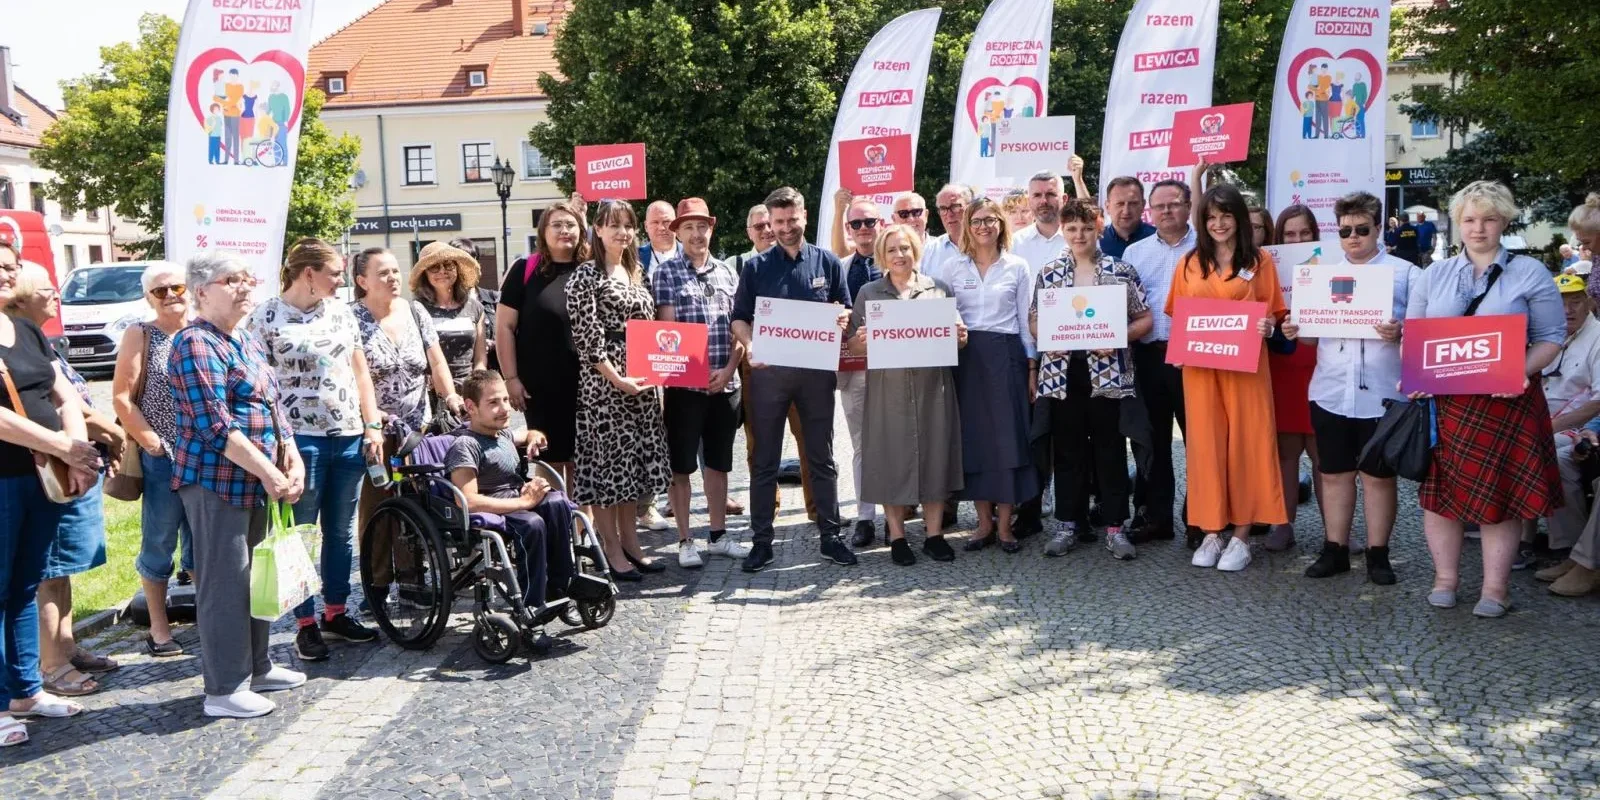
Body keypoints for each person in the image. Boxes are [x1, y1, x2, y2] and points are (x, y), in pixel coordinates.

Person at [1404, 181, 1564, 618]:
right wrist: (1414, 374)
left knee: (1502, 496)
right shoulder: (1433, 274)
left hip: (1506, 400)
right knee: (1442, 498)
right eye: (1470, 219)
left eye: (1489, 219)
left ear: (1504, 222)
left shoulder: (1529, 272)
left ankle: (1495, 589)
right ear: (1458, 223)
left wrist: (1520, 371)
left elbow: (1552, 337)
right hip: (1448, 405)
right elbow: (1414, 336)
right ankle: (1445, 580)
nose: (1479, 228)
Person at [169, 250, 307, 718]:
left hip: (257, 482)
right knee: (225, 584)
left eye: (248, 278)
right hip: (216, 482)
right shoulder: (194, 343)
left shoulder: (243, 338)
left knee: (258, 578)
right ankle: (224, 689)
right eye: (233, 280)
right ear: (202, 291)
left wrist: (291, 453)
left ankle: (258, 667)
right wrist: (269, 472)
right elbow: (215, 425)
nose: (245, 286)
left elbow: (273, 404)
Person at [249, 238, 385, 662]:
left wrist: (372, 423)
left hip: (346, 433)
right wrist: (275, 440)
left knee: (341, 531)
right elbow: (258, 384)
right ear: (308, 273)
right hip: (299, 438)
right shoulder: (266, 316)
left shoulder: (342, 312)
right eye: (334, 272)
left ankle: (336, 611)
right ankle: (305, 622)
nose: (341, 279)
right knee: (300, 532)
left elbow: (360, 372)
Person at [1285, 192, 1420, 585]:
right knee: (1333, 474)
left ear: (1379, 228)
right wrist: (1298, 330)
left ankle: (1379, 554)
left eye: (1362, 229)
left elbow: (1425, 333)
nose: (1354, 237)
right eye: (1345, 230)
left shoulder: (1406, 273)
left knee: (1378, 477)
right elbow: (1310, 340)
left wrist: (1401, 332)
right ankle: (1335, 550)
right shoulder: (1321, 274)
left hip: (1383, 392)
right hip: (1330, 390)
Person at [7, 264, 123, 698]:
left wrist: (81, 452)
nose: (57, 296)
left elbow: (71, 398)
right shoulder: (17, 340)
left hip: (66, 466)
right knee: (45, 573)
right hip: (36, 470)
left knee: (61, 568)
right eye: (47, 290)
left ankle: (64, 648)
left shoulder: (36, 338)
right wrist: (95, 437)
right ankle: (48, 664)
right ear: (21, 297)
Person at [0, 243, 100, 743]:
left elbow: (63, 393)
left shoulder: (25, 330)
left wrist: (74, 451)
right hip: (3, 479)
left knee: (22, 586)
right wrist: (60, 444)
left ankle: (25, 689)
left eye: (11, 266)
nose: (7, 273)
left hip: (39, 477)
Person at [731, 186, 855, 572]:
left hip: (816, 376)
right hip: (768, 377)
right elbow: (738, 318)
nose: (785, 227)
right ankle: (761, 541)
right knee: (764, 460)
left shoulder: (827, 262)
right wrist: (749, 345)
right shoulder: (755, 267)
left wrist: (842, 318)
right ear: (770, 222)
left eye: (792, 220)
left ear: (804, 217)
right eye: (778, 221)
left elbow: (845, 309)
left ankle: (830, 536)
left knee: (822, 457)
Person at [1169, 178, 1289, 572]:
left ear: (1239, 218)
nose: (1219, 224)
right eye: (1211, 217)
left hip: (1247, 369)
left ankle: (1241, 534)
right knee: (1205, 447)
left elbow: (1273, 315)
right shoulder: (1188, 263)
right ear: (1202, 222)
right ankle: (1211, 530)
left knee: (1248, 444)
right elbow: (1179, 316)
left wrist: (1268, 330)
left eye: (1226, 216)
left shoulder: (1260, 262)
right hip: (1202, 370)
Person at [1031, 199, 1153, 560]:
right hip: (1063, 375)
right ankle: (1068, 523)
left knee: (1109, 450)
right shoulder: (1050, 272)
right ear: (1064, 232)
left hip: (1108, 374)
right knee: (1067, 451)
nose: (1079, 235)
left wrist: (1115, 335)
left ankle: (1115, 527)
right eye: (1072, 229)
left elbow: (1145, 319)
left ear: (1098, 227)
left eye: (1086, 228)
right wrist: (1052, 334)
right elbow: (1034, 321)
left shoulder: (1120, 270)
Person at [846, 225, 965, 566]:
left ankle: (934, 534)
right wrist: (861, 341)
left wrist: (960, 335)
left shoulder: (937, 289)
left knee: (934, 455)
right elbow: (853, 344)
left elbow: (958, 338)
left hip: (932, 387)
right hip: (888, 388)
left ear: (916, 250)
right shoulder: (869, 293)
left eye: (905, 248)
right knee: (890, 457)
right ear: (882, 255)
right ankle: (897, 537)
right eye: (893, 249)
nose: (900, 255)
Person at [567, 200, 673, 581]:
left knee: (632, 468)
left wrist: (657, 371)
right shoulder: (585, 277)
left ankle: (632, 542)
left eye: (627, 226)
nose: (622, 233)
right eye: (613, 225)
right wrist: (618, 380)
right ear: (596, 229)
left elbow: (649, 330)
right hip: (604, 386)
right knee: (609, 470)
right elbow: (588, 341)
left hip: (641, 383)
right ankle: (611, 547)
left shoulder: (635, 270)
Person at [446, 370, 575, 651]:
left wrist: (534, 437)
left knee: (557, 502)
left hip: (516, 496)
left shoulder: (501, 432)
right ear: (470, 407)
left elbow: (527, 432)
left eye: (505, 399)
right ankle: (531, 607)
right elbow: (467, 500)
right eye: (494, 402)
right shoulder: (465, 446)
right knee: (532, 524)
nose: (505, 408)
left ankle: (563, 584)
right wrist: (522, 503)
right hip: (494, 506)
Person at [652, 198, 750, 567]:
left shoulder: (728, 272)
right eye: (688, 227)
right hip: (684, 388)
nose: (696, 233)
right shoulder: (666, 274)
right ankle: (684, 539)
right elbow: (666, 334)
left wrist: (726, 371)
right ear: (678, 232)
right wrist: (691, 374)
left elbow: (740, 330)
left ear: (711, 229)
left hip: (725, 384)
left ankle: (719, 535)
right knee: (681, 467)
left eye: (702, 226)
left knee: (719, 464)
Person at [350, 246, 464, 554]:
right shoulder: (351, 318)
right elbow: (355, 377)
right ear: (363, 281)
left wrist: (451, 396)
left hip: (419, 429)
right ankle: (378, 580)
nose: (392, 278)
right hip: (378, 429)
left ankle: (415, 577)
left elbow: (437, 362)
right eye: (383, 273)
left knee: (422, 502)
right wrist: (373, 421)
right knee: (380, 504)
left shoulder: (415, 311)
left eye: (395, 271)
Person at [112, 261, 196, 657]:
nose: (170, 297)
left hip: (208, 457)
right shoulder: (141, 334)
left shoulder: (203, 330)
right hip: (163, 457)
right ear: (149, 298)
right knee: (160, 541)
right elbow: (122, 397)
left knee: (203, 543)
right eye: (160, 291)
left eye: (175, 288)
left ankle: (213, 622)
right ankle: (159, 630)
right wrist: (152, 444)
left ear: (189, 289)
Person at [945, 197, 1037, 553]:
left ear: (1002, 224)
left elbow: (1025, 321)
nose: (983, 226)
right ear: (968, 226)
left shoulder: (1017, 266)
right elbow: (945, 315)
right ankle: (982, 523)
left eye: (990, 219)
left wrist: (1031, 367)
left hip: (1007, 357)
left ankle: (1005, 525)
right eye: (976, 220)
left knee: (1008, 439)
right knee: (976, 441)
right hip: (967, 360)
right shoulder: (954, 268)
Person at [1122, 178, 1196, 544]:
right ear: (1150, 210)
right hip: (1149, 356)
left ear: (1188, 206)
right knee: (1151, 443)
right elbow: (1126, 308)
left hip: (1196, 359)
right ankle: (1155, 519)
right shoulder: (1135, 253)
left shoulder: (1207, 245)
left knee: (1200, 442)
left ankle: (1200, 519)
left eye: (1175, 204)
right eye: (1160, 206)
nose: (1167, 211)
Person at [498, 201, 587, 488]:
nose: (565, 230)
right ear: (543, 232)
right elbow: (505, 327)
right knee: (549, 459)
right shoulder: (525, 270)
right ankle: (557, 525)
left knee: (582, 461)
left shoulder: (591, 269)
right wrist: (511, 379)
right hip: (540, 386)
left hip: (587, 384)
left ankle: (582, 530)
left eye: (571, 225)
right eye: (557, 225)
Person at [730, 204, 805, 521]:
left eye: (769, 225)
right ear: (749, 231)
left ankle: (817, 510)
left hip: (799, 360)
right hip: (757, 365)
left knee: (810, 439)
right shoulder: (735, 265)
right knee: (759, 443)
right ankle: (766, 511)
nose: (765, 230)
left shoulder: (800, 259)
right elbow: (735, 318)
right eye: (758, 226)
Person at [1010, 170, 1071, 539]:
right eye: (1038, 195)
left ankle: (1072, 511)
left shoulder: (1079, 237)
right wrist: (1032, 361)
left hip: (1078, 350)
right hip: (1034, 351)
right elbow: (1019, 308)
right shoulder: (1016, 243)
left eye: (1051, 193)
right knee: (1034, 434)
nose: (1044, 200)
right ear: (1029, 201)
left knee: (1071, 434)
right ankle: (1030, 506)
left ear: (1062, 198)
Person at [1535, 274, 1600, 595]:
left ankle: (1579, 555)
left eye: (1575, 301)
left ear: (1590, 302)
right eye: (1561, 302)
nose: (1568, 309)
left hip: (1575, 426)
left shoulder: (1598, 338)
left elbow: (1598, 401)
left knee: (1556, 456)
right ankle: (1570, 552)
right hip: (1540, 420)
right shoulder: (1547, 332)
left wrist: (1547, 429)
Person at [1264, 204, 1324, 552]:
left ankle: (1337, 529)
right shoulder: (1266, 267)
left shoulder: (1330, 266)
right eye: (1290, 233)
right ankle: (1283, 525)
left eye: (1304, 233)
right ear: (1279, 237)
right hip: (1282, 367)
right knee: (1286, 454)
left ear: (1315, 236)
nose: (1297, 239)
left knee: (1323, 456)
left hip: (1321, 367)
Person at [837, 197, 883, 547]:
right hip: (854, 369)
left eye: (870, 221)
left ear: (880, 223)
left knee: (903, 440)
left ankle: (898, 515)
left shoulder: (900, 261)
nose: (864, 228)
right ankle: (866, 517)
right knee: (861, 446)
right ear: (848, 229)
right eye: (857, 223)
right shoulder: (838, 267)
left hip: (900, 368)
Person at [412, 242, 487, 405]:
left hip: (469, 393)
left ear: (457, 269)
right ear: (424, 274)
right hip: (430, 394)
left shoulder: (475, 307)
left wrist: (477, 387)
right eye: (434, 267)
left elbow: (480, 358)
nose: (442, 271)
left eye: (448, 265)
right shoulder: (416, 310)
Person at [446, 237, 499, 372]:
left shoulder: (493, 299)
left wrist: (493, 344)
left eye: (470, 260)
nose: (464, 267)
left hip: (493, 374)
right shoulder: (440, 304)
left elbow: (511, 334)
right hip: (458, 376)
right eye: (459, 261)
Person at [923, 184, 974, 279]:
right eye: (943, 209)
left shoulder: (986, 246)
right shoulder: (929, 251)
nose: (949, 214)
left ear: (970, 208)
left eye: (955, 207)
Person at [1101, 177, 1157, 259]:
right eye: (1120, 204)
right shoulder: (1095, 242)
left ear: (1143, 205)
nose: (1126, 211)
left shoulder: (1158, 239)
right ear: (1107, 206)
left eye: (1133, 204)